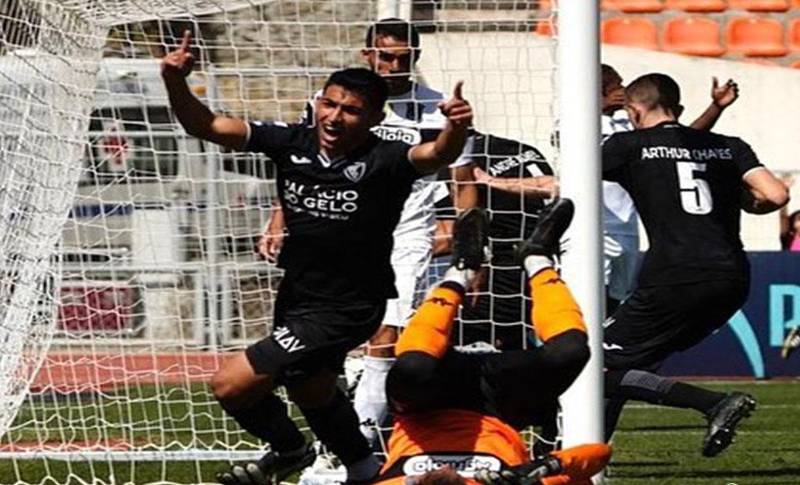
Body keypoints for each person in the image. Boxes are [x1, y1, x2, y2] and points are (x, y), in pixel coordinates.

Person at [161, 31, 473, 485]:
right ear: (317, 102)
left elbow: (436, 154)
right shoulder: (291, 142)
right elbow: (206, 126)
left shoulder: (386, 159)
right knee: (312, 390)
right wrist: (174, 81)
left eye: (350, 110)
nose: (334, 116)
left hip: (348, 305)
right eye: (329, 104)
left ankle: (289, 449)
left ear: (373, 118)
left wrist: (456, 127)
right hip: (299, 295)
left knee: (230, 383)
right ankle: (365, 468)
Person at [259, 18, 472, 448]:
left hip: (407, 235)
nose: (394, 65)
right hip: (336, 235)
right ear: (367, 54)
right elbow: (303, 164)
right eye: (385, 55)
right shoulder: (331, 104)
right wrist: (279, 219)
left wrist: (466, 243)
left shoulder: (438, 109)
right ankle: (337, 436)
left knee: (384, 339)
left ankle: (360, 442)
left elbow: (462, 181)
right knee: (314, 354)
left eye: (404, 58)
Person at [601, 73, 789, 457]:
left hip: (674, 276)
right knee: (628, 369)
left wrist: (497, 184)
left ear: (633, 111)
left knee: (594, 364)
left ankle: (712, 403)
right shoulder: (728, 146)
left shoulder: (627, 145)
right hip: (733, 278)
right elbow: (775, 194)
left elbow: (562, 184)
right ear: (678, 108)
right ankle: (583, 458)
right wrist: (743, 202)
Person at [373, 200, 611, 485]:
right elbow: (599, 455)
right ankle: (537, 258)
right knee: (571, 351)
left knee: (413, 365)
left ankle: (461, 272)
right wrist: (547, 467)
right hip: (499, 406)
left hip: (423, 406)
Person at [600, 64, 740, 314]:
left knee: (613, 307)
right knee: (590, 305)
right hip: (595, 230)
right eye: (615, 86)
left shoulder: (627, 121)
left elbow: (674, 144)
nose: (622, 90)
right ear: (597, 90)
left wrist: (715, 108)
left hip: (628, 229)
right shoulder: (576, 125)